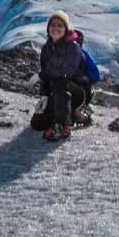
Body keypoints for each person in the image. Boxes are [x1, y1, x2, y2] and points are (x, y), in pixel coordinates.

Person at [30, 10, 90, 140]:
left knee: (59, 82)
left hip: (77, 92)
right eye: (53, 25)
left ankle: (63, 126)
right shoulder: (46, 48)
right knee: (37, 123)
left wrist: (42, 75)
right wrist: (44, 96)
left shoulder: (73, 47)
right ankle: (74, 115)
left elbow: (67, 72)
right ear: (48, 28)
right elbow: (46, 77)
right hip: (59, 94)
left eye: (60, 25)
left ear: (66, 29)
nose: (56, 28)